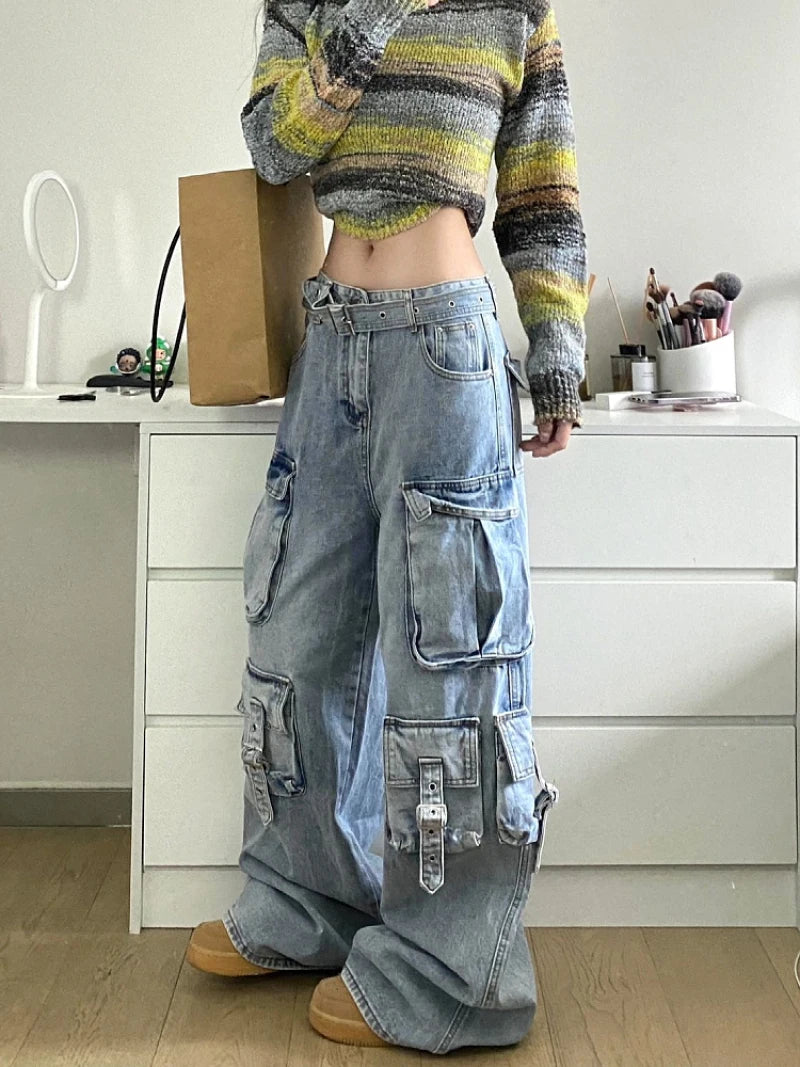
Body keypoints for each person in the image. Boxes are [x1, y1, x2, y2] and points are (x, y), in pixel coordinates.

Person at [187, 0, 588, 1054]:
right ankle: (307, 904)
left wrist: (555, 347)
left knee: (450, 664)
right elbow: (272, 146)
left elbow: (541, 194)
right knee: (297, 635)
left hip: (445, 350)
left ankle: (455, 967)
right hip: (327, 341)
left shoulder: (515, 10)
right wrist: (364, 24)